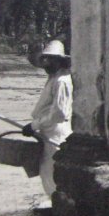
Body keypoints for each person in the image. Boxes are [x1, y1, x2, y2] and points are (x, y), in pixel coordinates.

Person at [22, 40, 73, 197]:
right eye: (44, 58)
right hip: (46, 132)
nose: (45, 62)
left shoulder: (62, 81)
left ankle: (60, 212)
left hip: (56, 135)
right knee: (46, 175)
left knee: (52, 176)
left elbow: (60, 113)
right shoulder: (53, 78)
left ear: (59, 60)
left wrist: (35, 125)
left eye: (50, 58)